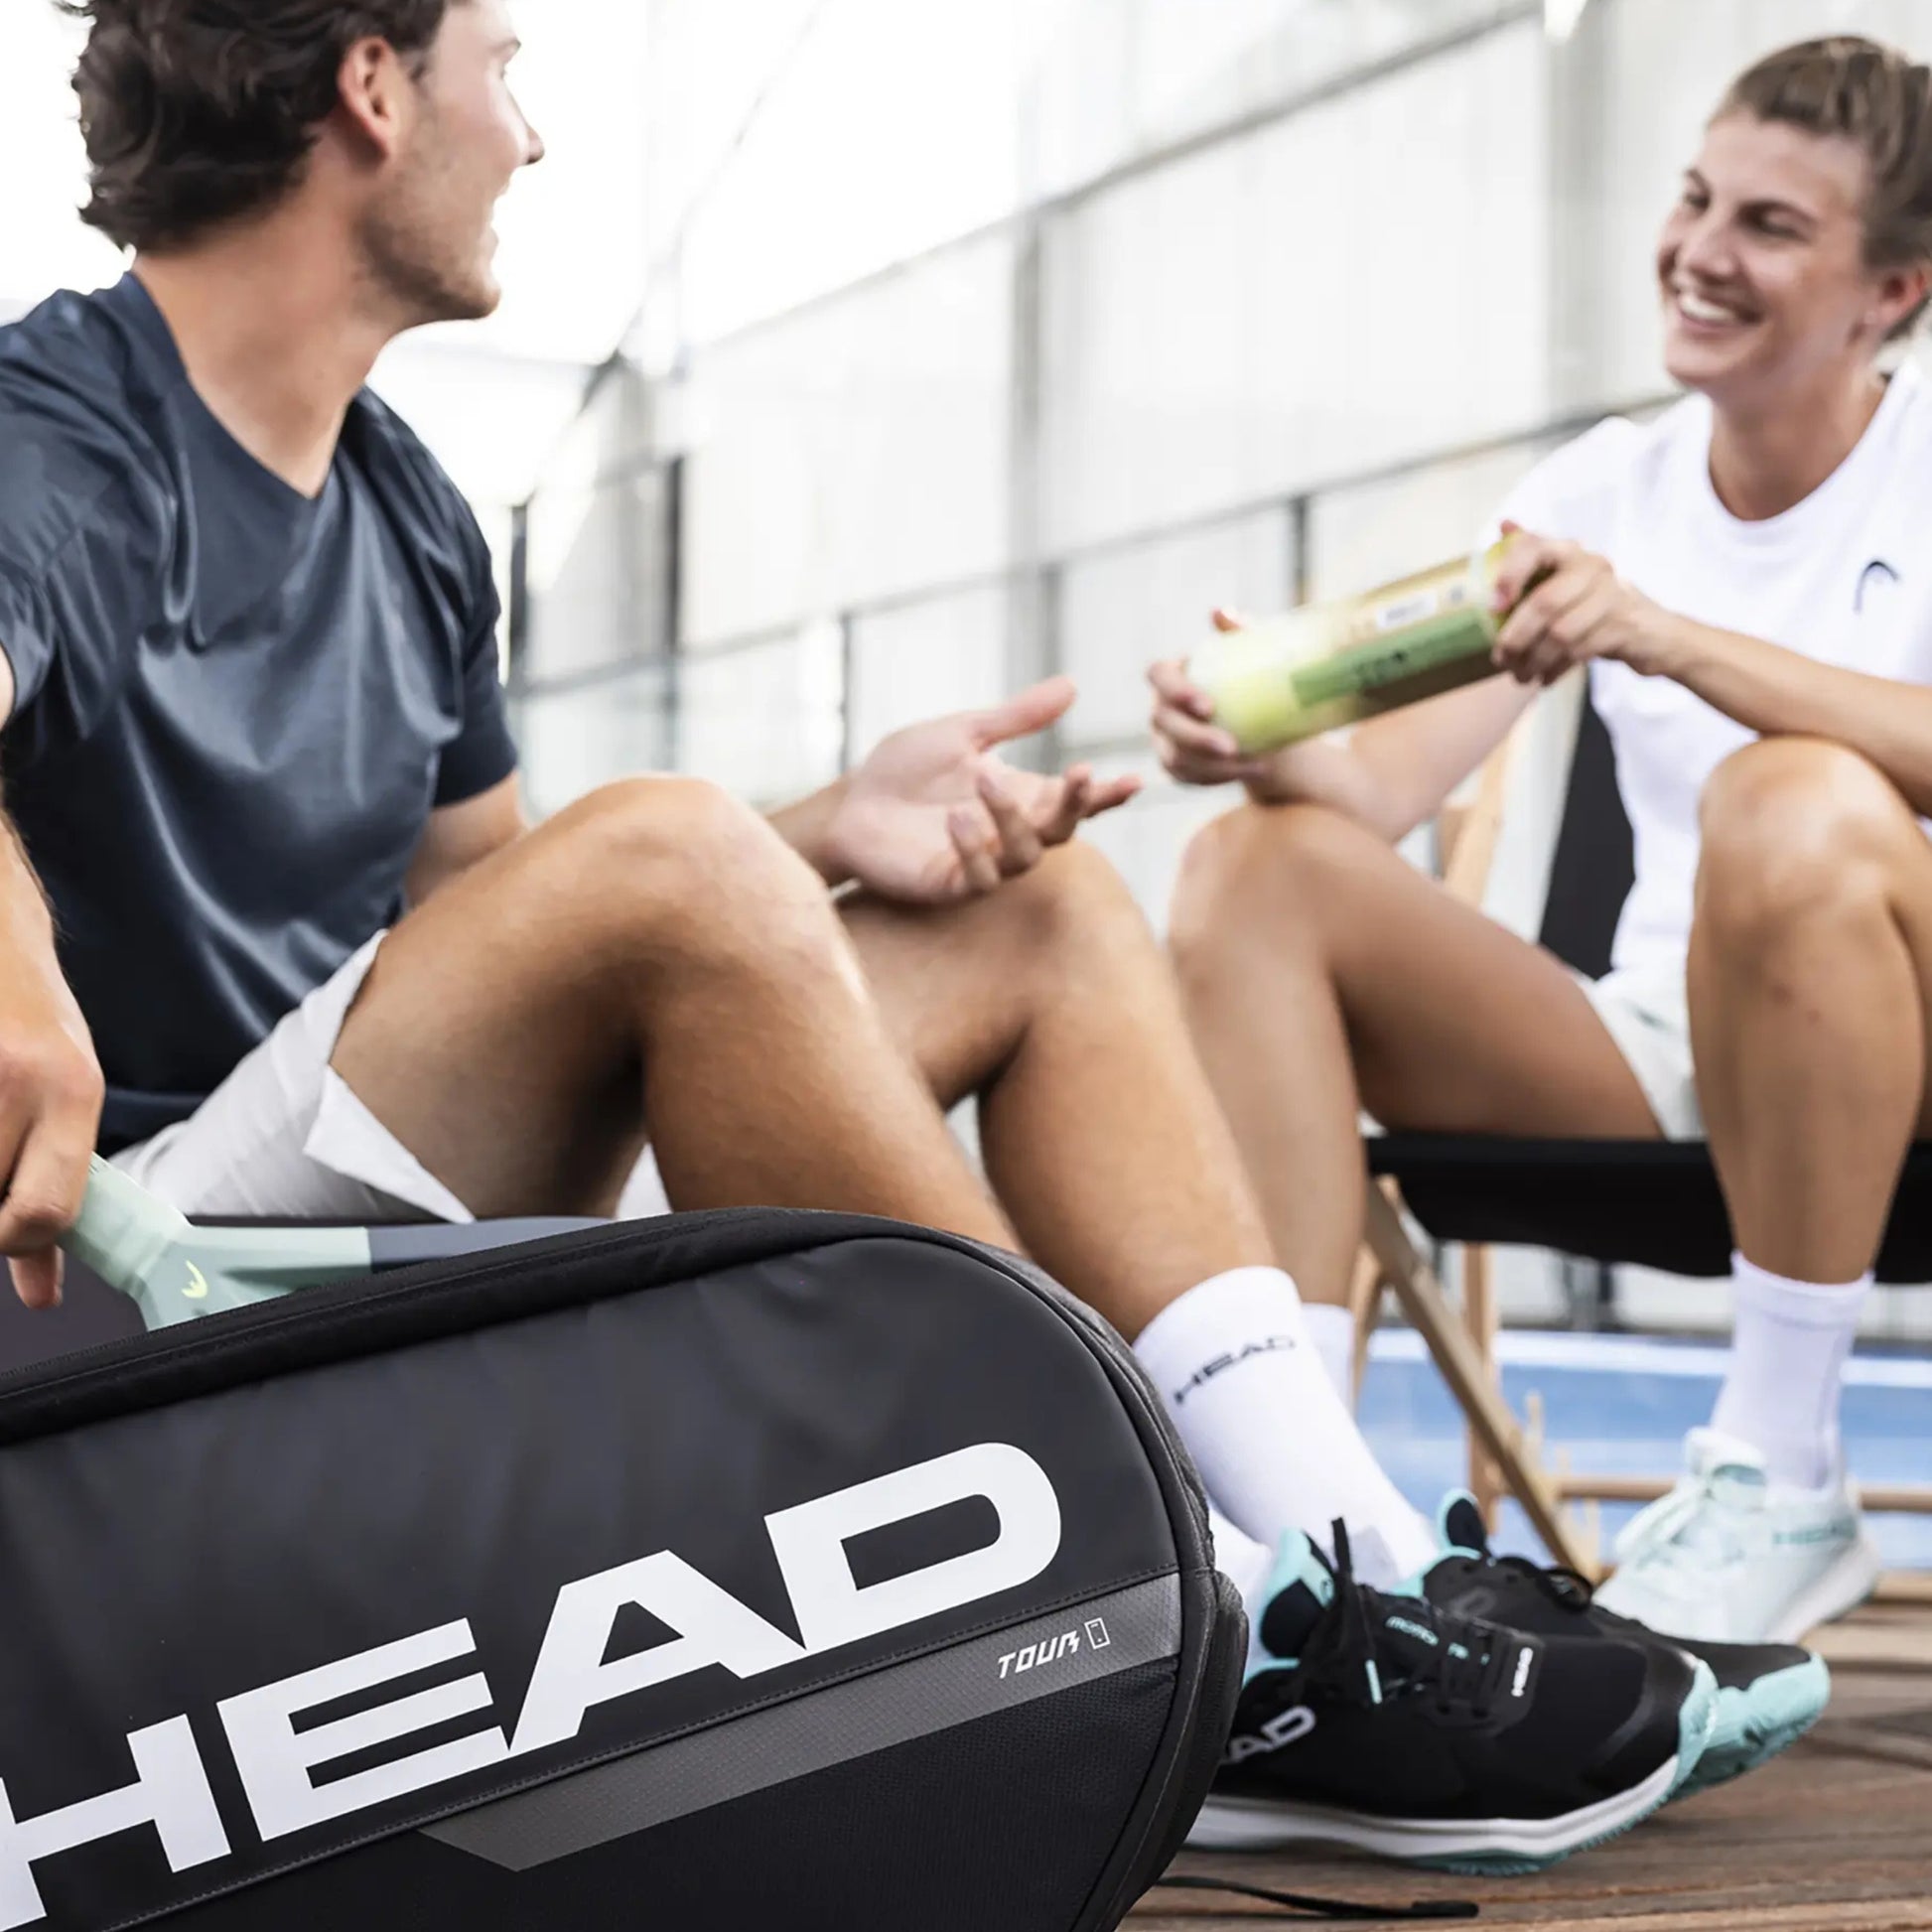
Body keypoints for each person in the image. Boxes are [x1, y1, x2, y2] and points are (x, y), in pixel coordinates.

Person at [1154, 35, 1932, 1650]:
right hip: (1670, 1046)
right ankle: (1303, 1528)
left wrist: (1660, 636)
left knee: (1784, 801)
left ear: (1891, 294)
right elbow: (1368, 798)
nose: (1701, 252)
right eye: (1696, 197)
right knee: (1257, 869)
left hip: (1902, 1037)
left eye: (1772, 227)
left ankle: (1779, 1466)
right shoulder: (1604, 484)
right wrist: (1263, 738)